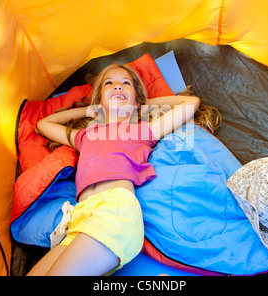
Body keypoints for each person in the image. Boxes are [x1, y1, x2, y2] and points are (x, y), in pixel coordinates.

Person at [27, 63, 217, 276]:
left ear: (136, 100)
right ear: (99, 99)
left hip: (115, 212)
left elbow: (190, 103)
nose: (117, 86)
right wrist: (92, 109)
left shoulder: (143, 130)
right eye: (109, 83)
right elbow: (44, 124)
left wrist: (143, 105)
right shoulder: (85, 136)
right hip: (80, 219)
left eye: (125, 83)